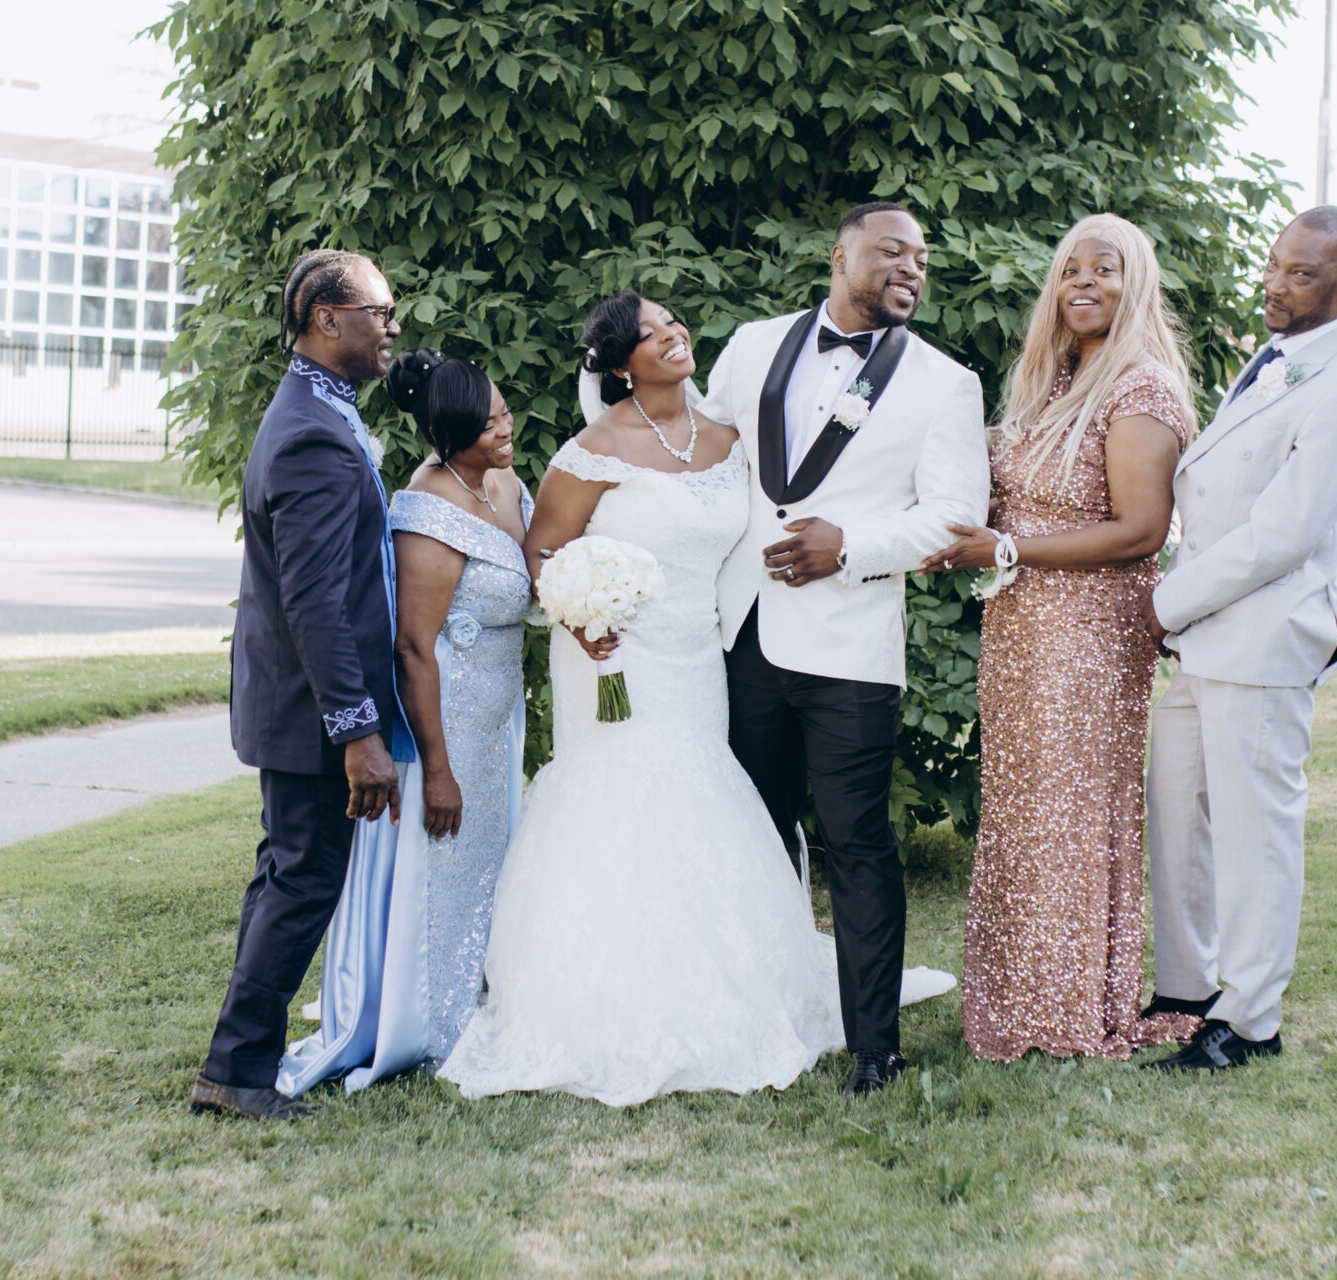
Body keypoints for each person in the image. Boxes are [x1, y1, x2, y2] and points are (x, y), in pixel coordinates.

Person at [436, 292, 845, 1106]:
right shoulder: (594, 450)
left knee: (698, 792)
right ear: (622, 365)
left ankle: (717, 979)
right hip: (610, 653)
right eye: (650, 334)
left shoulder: (730, 439)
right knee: (618, 796)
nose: (672, 335)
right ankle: (603, 995)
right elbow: (543, 552)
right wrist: (579, 615)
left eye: (672, 323)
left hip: (697, 653)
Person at [704, 202, 991, 1095]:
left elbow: (956, 516)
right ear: (839, 255)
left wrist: (851, 547)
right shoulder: (752, 344)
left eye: (923, 259)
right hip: (742, 630)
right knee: (751, 833)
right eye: (892, 251)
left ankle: (875, 1046)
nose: (912, 267)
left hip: (851, 649)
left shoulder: (945, 383)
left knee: (857, 842)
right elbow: (701, 455)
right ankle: (758, 1015)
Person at [921, 213, 1205, 1061]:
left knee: (1071, 811)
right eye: (1071, 269)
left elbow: (1141, 531)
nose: (1083, 282)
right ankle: (1021, 998)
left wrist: (1007, 548)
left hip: (1090, 630)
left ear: (1135, 283)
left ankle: (1069, 1004)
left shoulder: (1140, 389)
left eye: (1104, 269)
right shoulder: (1053, 383)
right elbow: (1016, 495)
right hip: (1022, 626)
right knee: (1026, 807)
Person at [1139, 206, 1337, 1072]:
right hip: (1206, 634)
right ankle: (1186, 988)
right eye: (1275, 264)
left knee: (1256, 836)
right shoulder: (1280, 357)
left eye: (1300, 274)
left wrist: (1164, 605)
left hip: (1263, 638)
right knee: (1178, 814)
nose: (1275, 284)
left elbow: (1281, 535)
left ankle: (1249, 1020)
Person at [191, 249, 411, 1121]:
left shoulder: (318, 408)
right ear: (327, 318)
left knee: (285, 875)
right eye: (379, 312)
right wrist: (358, 733)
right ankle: (237, 1073)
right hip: (313, 709)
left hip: (298, 701)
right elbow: (314, 600)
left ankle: (237, 1060)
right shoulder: (313, 431)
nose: (391, 327)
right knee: (303, 881)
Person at [277, 350, 530, 1096]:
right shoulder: (426, 511)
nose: (505, 430)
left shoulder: (505, 481)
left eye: (505, 413)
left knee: (487, 859)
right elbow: (414, 649)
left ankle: (479, 996)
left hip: (497, 713)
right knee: (439, 863)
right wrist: (437, 771)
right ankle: (423, 1017)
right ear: (448, 435)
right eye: (488, 425)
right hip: (442, 721)